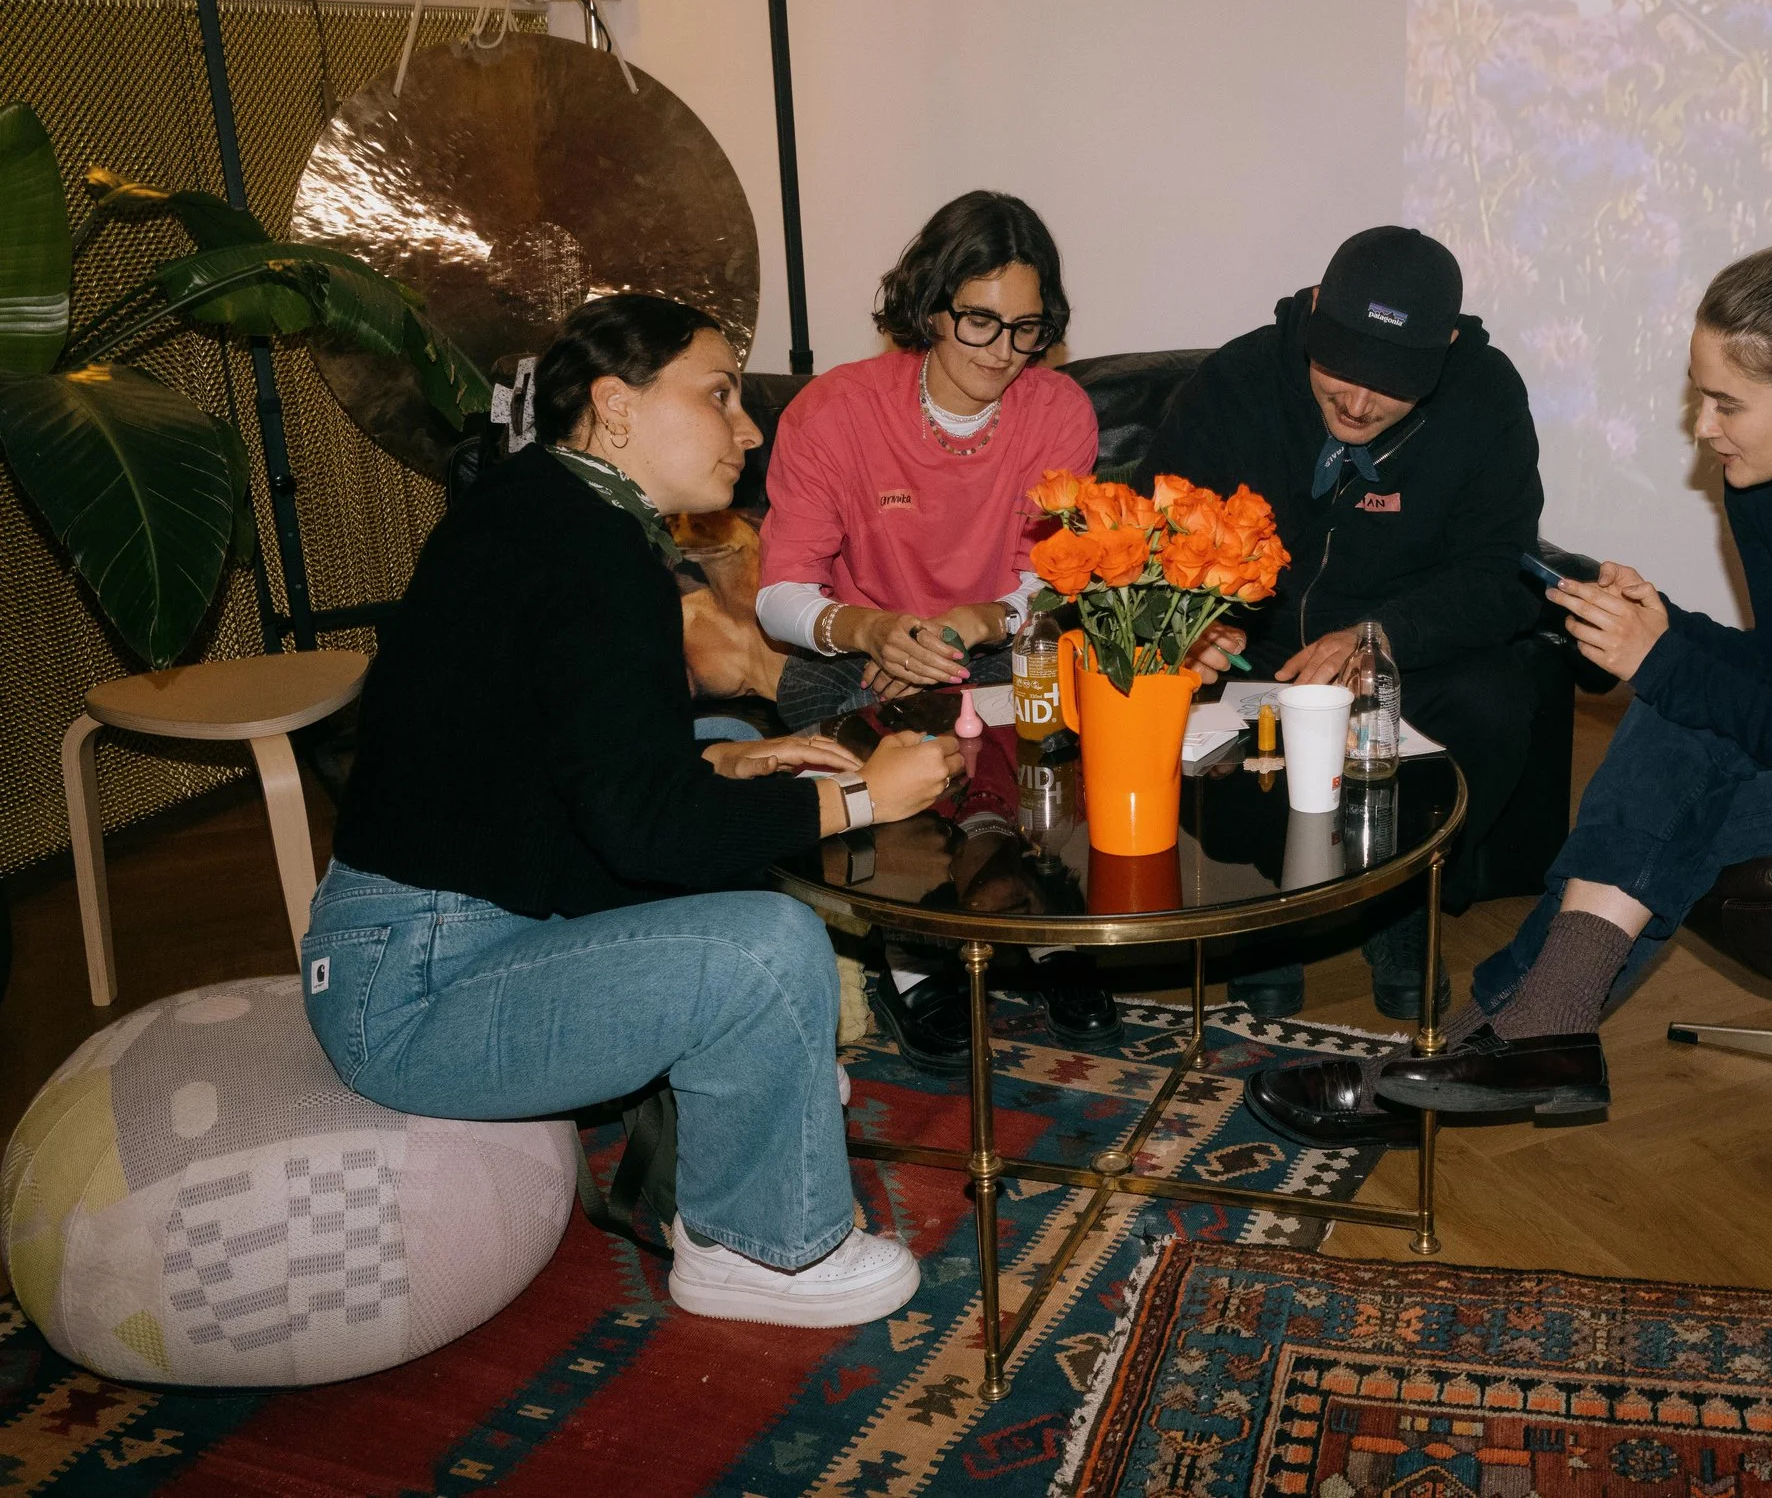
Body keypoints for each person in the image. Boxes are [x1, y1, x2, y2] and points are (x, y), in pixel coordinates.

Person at [1247, 205, 1772, 1145]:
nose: (1703, 427)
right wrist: (1664, 627)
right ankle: (1523, 1041)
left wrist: (1663, 661)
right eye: (1700, 395)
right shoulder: (1767, 486)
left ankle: (1494, 1042)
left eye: (1726, 403)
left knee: (1687, 787)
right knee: (1674, 715)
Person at [304, 294, 964, 1327]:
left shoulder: (541, 508)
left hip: (435, 929)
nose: (748, 428)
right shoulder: (595, 554)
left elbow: (558, 770)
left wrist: (726, 769)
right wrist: (854, 798)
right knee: (768, 949)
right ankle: (756, 1250)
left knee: (724, 752)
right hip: (419, 994)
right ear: (615, 408)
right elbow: (642, 834)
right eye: (717, 394)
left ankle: (762, 1083)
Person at [1142, 225, 1546, 1021]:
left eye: (1391, 385)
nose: (1358, 403)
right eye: (1341, 373)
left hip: (1405, 655)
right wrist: (1199, 622)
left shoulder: (1486, 397)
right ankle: (1264, 917)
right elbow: (1157, 541)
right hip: (1256, 653)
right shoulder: (1236, 384)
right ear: (1316, 314)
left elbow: (1504, 572)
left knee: (1502, 694)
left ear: (1446, 349)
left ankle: (1402, 908)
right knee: (1191, 704)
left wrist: (1384, 635)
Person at [753, 190, 1113, 1068]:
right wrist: (871, 627)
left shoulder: (1057, 411)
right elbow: (780, 595)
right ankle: (914, 963)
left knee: (1065, 689)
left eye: (1026, 330)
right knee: (852, 709)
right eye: (981, 324)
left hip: (999, 643)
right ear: (928, 307)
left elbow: (1058, 580)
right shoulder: (834, 412)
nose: (1004, 353)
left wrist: (985, 615)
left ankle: (1051, 924)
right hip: (861, 659)